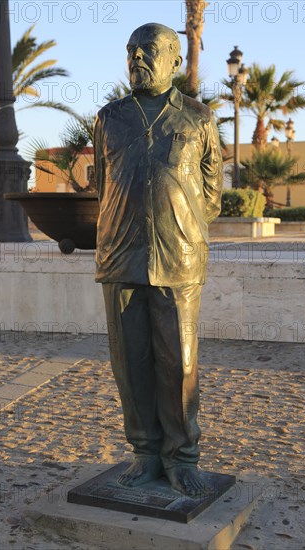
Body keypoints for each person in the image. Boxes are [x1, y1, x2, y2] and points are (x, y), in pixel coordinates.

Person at [93, 23, 223, 496]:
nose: (136, 59)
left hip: (179, 257)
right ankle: (145, 453)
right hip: (121, 255)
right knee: (130, 362)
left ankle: (183, 457)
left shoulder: (198, 118)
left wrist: (176, 221)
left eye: (147, 50)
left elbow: (211, 195)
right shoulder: (109, 118)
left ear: (174, 58)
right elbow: (104, 185)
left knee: (180, 362)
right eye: (130, 52)